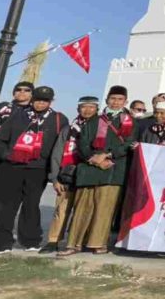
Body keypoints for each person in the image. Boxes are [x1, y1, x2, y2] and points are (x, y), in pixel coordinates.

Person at [0, 85, 69, 253]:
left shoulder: (59, 119)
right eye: (38, 100)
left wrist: (55, 172)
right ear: (32, 100)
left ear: (51, 101)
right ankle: (3, 241)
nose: (40, 104)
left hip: (38, 169)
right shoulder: (18, 116)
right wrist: (7, 155)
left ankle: (30, 240)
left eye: (44, 101)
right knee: (5, 205)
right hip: (11, 166)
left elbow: (62, 147)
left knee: (31, 205)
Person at [60, 86, 134, 256]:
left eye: (120, 99)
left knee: (104, 209)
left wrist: (108, 155)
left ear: (125, 101)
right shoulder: (93, 120)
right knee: (82, 208)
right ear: (107, 100)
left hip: (113, 169)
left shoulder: (130, 121)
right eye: (113, 98)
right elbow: (83, 142)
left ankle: (98, 243)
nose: (116, 102)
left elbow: (129, 143)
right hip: (90, 168)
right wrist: (93, 158)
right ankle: (74, 243)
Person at [42, 96, 101, 253]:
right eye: (84, 107)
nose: (87, 110)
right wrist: (54, 177)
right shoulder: (68, 129)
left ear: (97, 109)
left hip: (88, 174)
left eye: (91, 107)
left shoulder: (101, 129)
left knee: (85, 211)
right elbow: (57, 153)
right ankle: (53, 240)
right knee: (61, 210)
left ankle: (77, 242)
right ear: (78, 109)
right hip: (67, 174)